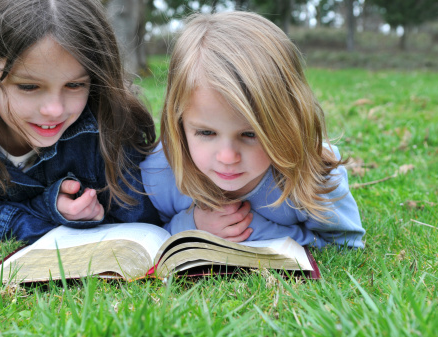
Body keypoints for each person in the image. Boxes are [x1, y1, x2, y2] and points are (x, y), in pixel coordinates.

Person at [0, 0, 160, 244]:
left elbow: (140, 231)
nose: (55, 110)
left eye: (75, 85)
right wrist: (50, 211)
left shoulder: (111, 125)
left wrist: (6, 221)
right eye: (29, 86)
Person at [140, 11, 365, 248]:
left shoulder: (315, 174)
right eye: (206, 133)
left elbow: (345, 244)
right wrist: (192, 225)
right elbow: (152, 236)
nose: (227, 157)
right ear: (178, 121)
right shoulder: (161, 173)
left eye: (250, 134)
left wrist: (257, 230)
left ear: (287, 124)